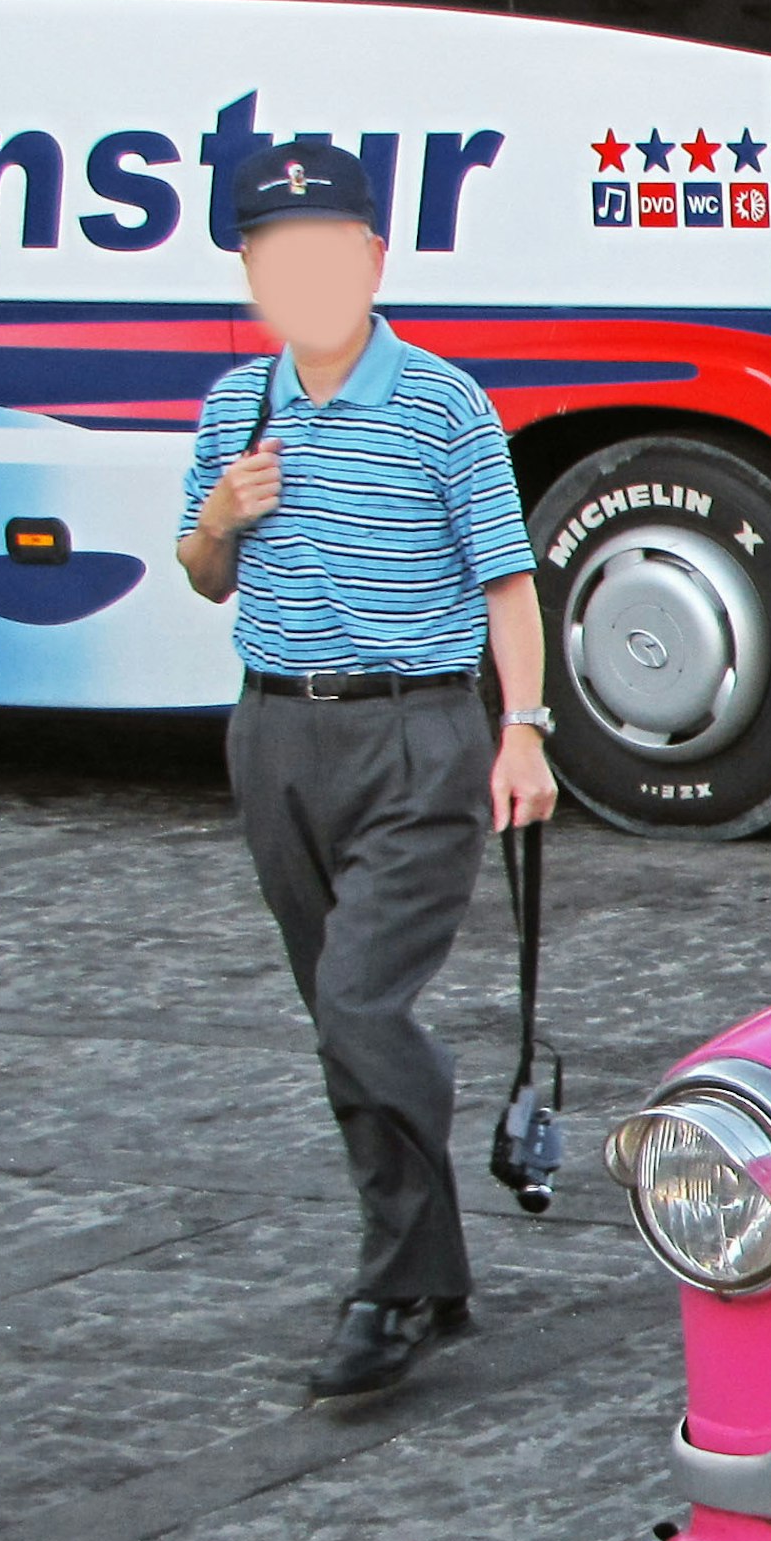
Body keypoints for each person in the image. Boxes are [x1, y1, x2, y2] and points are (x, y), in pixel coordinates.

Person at [173, 138, 557, 1402]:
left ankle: (390, 1287)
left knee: (360, 1009)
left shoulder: (444, 404)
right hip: (276, 732)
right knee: (339, 1018)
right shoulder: (239, 405)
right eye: (274, 255)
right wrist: (222, 517)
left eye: (325, 250)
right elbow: (201, 571)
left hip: (416, 735)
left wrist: (525, 730)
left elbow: (508, 581)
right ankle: (432, 1268)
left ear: (374, 259)